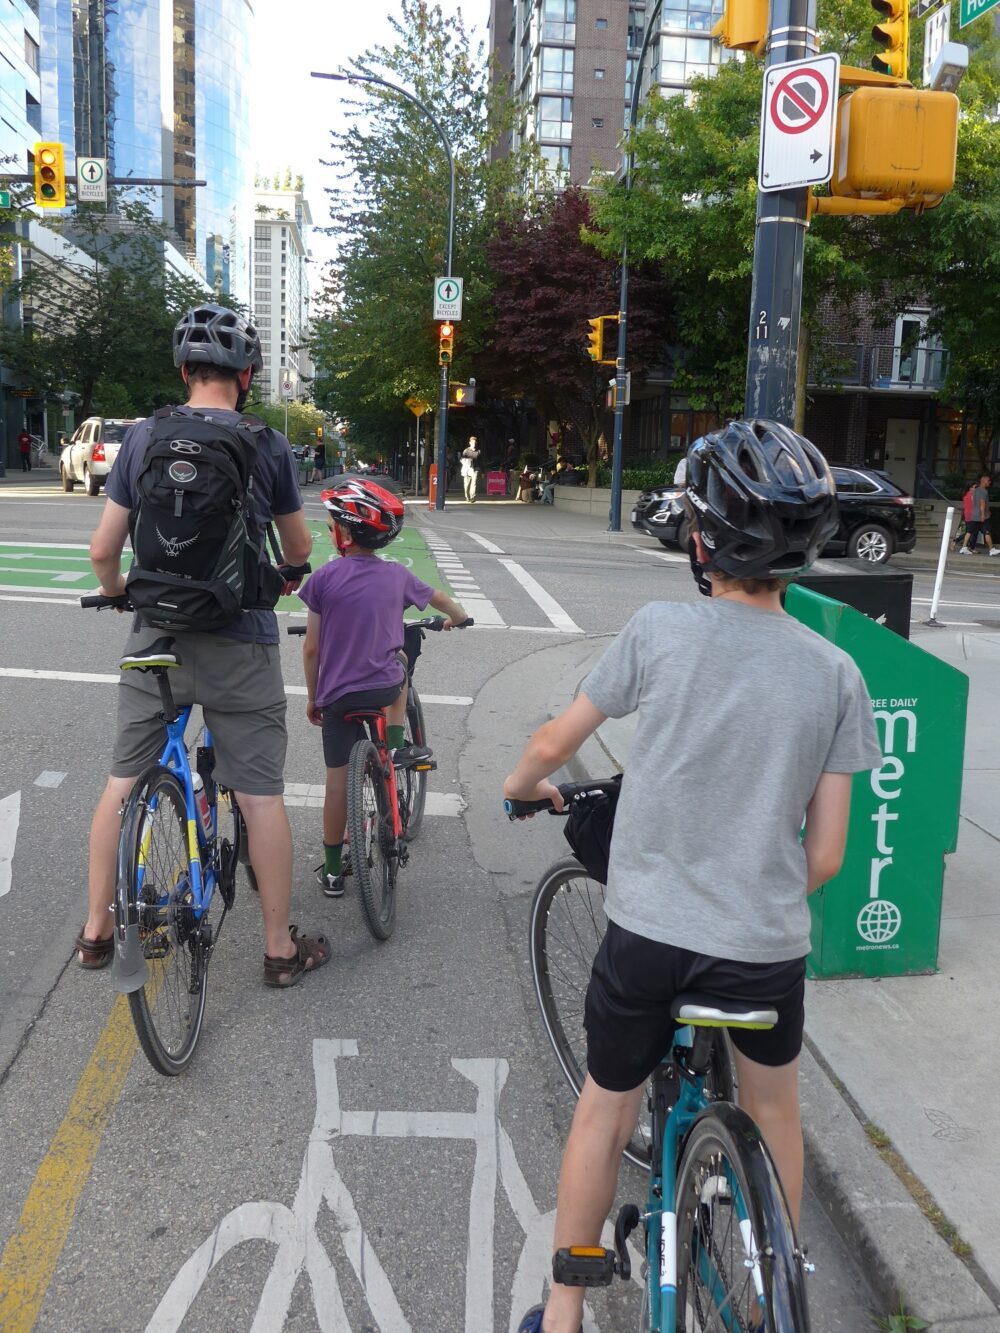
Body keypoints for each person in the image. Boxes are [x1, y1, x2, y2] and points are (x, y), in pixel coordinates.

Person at [506, 419, 883, 1333]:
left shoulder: (661, 630)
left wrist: (525, 785)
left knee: (605, 1107)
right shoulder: (836, 673)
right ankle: (767, 1291)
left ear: (701, 540)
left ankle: (562, 1310)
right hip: (760, 954)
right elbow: (826, 857)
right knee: (773, 1110)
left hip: (649, 939)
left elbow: (557, 739)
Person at [77, 303, 330, 989]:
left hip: (155, 634)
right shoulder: (265, 442)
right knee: (259, 796)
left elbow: (104, 550)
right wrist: (288, 575)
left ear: (184, 370)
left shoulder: (143, 436)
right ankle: (279, 948)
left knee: (121, 783)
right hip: (238, 639)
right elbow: (299, 545)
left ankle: (97, 932)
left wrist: (121, 589)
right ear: (246, 375)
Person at [298, 480, 469, 898]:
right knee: (402, 665)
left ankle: (335, 871)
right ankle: (394, 744)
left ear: (347, 534)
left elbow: (312, 648)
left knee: (337, 782)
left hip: (337, 698)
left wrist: (313, 697)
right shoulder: (397, 576)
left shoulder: (323, 579)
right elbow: (443, 600)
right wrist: (459, 617)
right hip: (382, 688)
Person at [959, 474, 998, 556]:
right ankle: (991, 549)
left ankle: (964, 547)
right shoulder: (983, 491)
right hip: (981, 516)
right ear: (983, 481)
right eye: (988, 481)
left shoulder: (975, 491)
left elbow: (974, 502)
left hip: (975, 515)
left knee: (969, 531)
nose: (989, 483)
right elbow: (982, 503)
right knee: (986, 532)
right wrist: (983, 514)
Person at [461, 435, 481, 503]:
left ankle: (472, 497)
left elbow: (481, 461)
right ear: (470, 443)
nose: (474, 444)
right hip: (467, 469)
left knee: (474, 483)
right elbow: (462, 459)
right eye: (472, 442)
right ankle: (467, 496)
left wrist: (483, 471)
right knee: (466, 484)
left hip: (475, 469)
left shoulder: (478, 451)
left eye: (475, 442)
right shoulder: (466, 451)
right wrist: (467, 461)